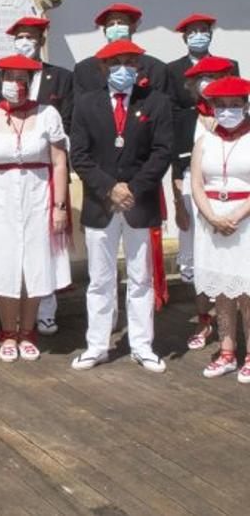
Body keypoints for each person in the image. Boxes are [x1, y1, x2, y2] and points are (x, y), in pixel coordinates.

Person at [69, 40, 173, 373]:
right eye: (115, 63)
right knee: (100, 279)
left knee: (141, 277)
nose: (123, 69)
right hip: (101, 204)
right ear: (102, 68)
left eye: (130, 63)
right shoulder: (86, 104)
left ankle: (142, 345)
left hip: (139, 204)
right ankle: (97, 345)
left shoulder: (156, 103)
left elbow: (162, 152)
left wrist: (132, 189)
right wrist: (110, 189)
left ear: (139, 68)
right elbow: (80, 157)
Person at [0, 55, 71, 362]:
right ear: (0, 81)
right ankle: (8, 333)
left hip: (38, 196)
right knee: (4, 265)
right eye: (9, 77)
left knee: (36, 263)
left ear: (30, 83)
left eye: (22, 79)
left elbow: (58, 161)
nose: (15, 84)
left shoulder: (47, 114)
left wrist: (60, 207)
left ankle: (28, 331)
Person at [0, 16, 76, 336]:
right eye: (20, 37)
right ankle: (10, 329)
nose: (25, 41)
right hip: (3, 191)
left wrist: (60, 203)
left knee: (41, 255)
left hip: (43, 181)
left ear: (41, 38)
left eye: (30, 36)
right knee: (7, 257)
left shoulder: (60, 78)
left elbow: (63, 145)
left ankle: (41, 317)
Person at [173, 56, 236, 350]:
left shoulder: (238, 115)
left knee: (234, 261)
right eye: (203, 78)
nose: (209, 83)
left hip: (234, 196)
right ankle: (204, 320)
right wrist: (179, 204)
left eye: (216, 76)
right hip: (192, 192)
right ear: (194, 85)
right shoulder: (185, 118)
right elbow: (176, 164)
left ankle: (234, 328)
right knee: (198, 260)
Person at [190, 76, 250, 382]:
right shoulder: (205, 141)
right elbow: (197, 182)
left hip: (245, 220)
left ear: (246, 106)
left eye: (235, 105)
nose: (227, 111)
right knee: (223, 292)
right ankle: (227, 351)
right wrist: (212, 216)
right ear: (212, 108)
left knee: (247, 291)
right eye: (221, 106)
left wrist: (237, 215)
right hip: (212, 221)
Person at [73, 3, 170, 95]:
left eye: (121, 23)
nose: (116, 27)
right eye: (111, 24)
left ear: (133, 28)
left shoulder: (156, 69)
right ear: (105, 31)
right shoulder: (84, 70)